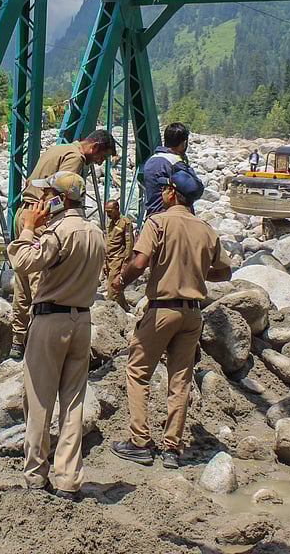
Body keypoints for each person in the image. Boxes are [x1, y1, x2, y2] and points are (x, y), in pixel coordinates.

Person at [109, 165, 233, 469]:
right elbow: (225, 271)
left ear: (172, 192)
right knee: (181, 380)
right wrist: (197, 273)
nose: (162, 192)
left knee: (138, 371)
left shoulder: (158, 222)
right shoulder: (205, 228)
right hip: (192, 314)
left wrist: (120, 281)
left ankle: (139, 442)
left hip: (162, 309)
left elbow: (140, 262)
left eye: (165, 188)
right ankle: (171, 448)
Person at [6, 171, 105, 500]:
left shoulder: (58, 232)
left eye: (47, 193)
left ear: (60, 199)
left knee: (39, 400)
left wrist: (28, 228)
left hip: (51, 321)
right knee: (73, 403)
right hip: (82, 322)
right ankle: (68, 479)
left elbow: (22, 262)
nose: (41, 200)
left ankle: (36, 474)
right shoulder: (95, 232)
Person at [9, 129, 118, 360]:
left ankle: (17, 339)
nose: (99, 162)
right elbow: (64, 193)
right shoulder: (76, 157)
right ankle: (37, 339)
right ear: (95, 146)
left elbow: (32, 181)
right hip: (41, 215)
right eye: (102, 157)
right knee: (42, 280)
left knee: (23, 281)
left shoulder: (57, 148)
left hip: (25, 212)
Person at [142, 122, 192, 217]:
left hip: (152, 217)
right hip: (171, 218)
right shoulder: (176, 162)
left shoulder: (151, 160)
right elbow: (192, 190)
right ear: (184, 143)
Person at [101, 200, 135, 311]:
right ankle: (125, 308)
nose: (108, 214)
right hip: (109, 259)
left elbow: (129, 244)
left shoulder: (125, 223)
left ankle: (112, 313)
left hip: (118, 259)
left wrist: (125, 263)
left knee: (112, 289)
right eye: (106, 212)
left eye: (110, 211)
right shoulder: (110, 223)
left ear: (117, 209)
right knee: (117, 288)